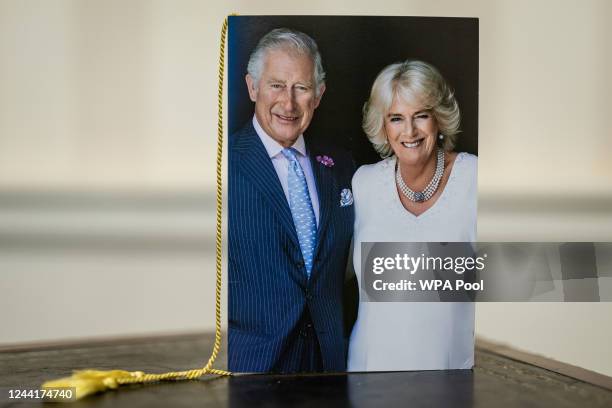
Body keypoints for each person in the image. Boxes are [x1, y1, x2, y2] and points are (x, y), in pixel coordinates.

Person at [228, 28, 355, 373]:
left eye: (301, 88)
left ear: (318, 95)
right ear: (252, 87)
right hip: (251, 369)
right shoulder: (224, 164)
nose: (289, 103)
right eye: (277, 85)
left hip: (329, 366)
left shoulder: (342, 167)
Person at [347, 60, 477, 371]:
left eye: (421, 116)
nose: (409, 131)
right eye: (396, 118)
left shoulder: (476, 177)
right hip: (370, 371)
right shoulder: (363, 183)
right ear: (383, 124)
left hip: (453, 373)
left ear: (439, 119)